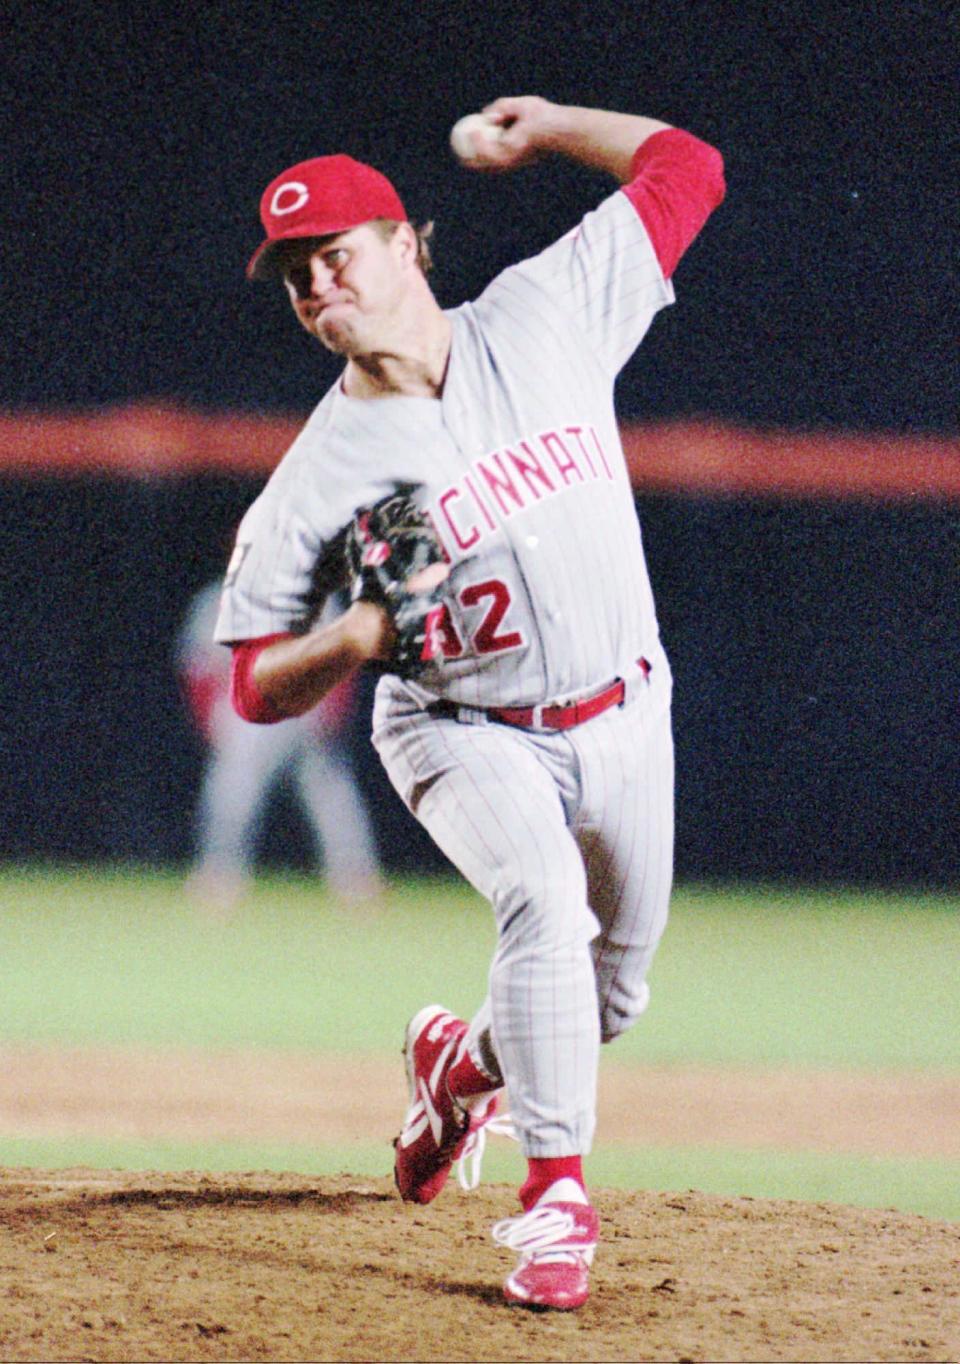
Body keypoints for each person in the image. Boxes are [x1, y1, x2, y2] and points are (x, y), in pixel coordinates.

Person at [215, 94, 725, 1309]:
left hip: (624, 710)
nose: (315, 283)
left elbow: (687, 167)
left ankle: (463, 1063)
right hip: (458, 725)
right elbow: (251, 684)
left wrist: (546, 125)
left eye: (334, 252)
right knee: (540, 897)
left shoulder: (547, 311)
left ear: (408, 244)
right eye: (294, 273)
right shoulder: (310, 485)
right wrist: (353, 632)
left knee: (608, 996)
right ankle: (558, 1204)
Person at [178, 579, 385, 916]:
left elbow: (342, 657)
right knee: (232, 797)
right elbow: (198, 666)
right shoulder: (218, 601)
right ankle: (219, 877)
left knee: (332, 799)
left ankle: (356, 879)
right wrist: (210, 720)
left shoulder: (316, 600)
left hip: (303, 711)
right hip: (247, 717)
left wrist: (332, 712)